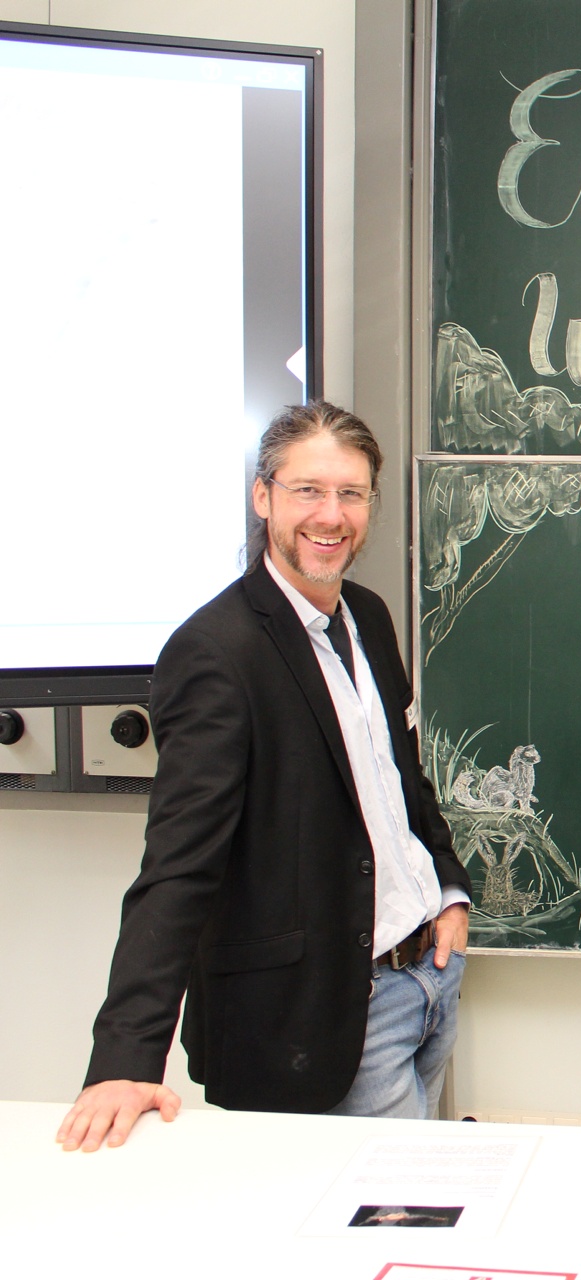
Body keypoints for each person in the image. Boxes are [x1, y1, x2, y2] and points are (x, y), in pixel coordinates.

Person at [57, 403, 472, 1152]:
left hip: (428, 979)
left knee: (413, 1222)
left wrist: (447, 887)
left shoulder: (368, 617)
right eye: (308, 490)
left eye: (351, 494)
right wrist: (124, 1058)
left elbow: (403, 774)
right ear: (263, 497)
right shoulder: (216, 653)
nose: (331, 515)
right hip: (326, 1017)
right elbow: (178, 867)